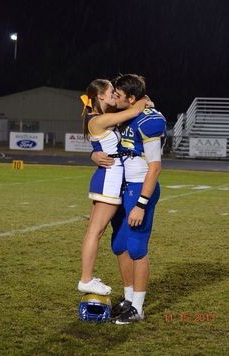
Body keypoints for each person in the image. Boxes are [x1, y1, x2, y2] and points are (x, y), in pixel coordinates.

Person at [91, 74, 166, 324]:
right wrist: (95, 155)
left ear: (132, 99)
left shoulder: (148, 120)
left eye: (120, 95)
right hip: (121, 188)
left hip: (139, 188)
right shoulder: (123, 116)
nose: (115, 99)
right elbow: (100, 136)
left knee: (136, 248)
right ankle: (128, 298)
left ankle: (138, 308)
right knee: (119, 245)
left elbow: (155, 167)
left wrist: (142, 204)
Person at [77, 78, 150, 296]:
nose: (114, 96)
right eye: (111, 92)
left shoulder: (102, 118)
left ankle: (87, 278)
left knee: (94, 231)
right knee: (95, 231)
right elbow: (130, 113)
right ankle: (86, 279)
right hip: (108, 179)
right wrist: (143, 99)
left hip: (109, 177)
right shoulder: (99, 120)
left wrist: (93, 154)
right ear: (99, 96)